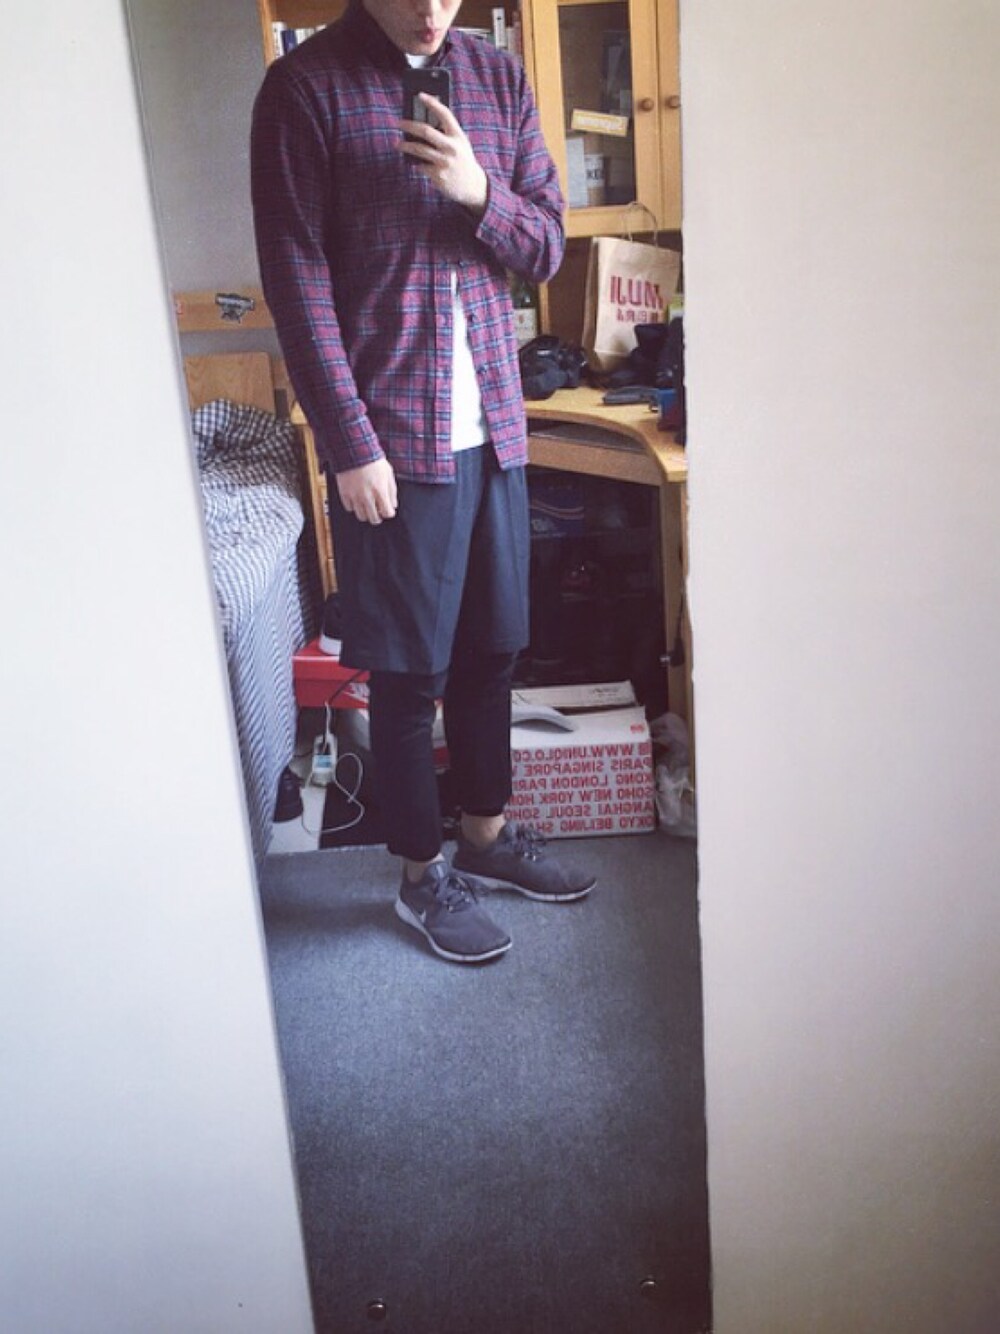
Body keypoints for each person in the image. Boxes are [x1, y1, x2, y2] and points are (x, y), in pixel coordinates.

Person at [251, 0, 595, 963]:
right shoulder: (303, 90)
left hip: (497, 426)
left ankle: (485, 838)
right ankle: (418, 878)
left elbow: (547, 247)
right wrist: (347, 443)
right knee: (409, 674)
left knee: (494, 649)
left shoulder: (498, 78)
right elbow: (296, 281)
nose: (432, 10)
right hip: (394, 439)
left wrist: (478, 190)